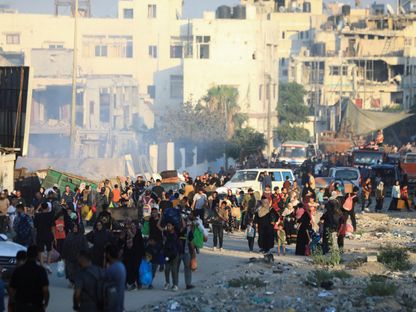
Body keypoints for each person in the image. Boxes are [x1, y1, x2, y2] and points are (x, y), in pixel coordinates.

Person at [8, 245, 49, 312]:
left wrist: (13, 302)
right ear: (37, 256)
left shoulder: (18, 270)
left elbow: (11, 289)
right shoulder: (41, 270)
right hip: (36, 306)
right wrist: (45, 304)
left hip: (21, 306)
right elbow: (45, 290)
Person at [123, 221, 144, 291]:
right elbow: (125, 244)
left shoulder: (138, 232)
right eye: (130, 225)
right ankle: (132, 284)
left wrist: (143, 254)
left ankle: (137, 284)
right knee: (129, 269)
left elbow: (138, 241)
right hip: (129, 254)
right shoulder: (127, 233)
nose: (132, 227)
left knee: (136, 269)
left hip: (137, 254)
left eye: (133, 225)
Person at [33, 202, 55, 272]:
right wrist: (54, 237)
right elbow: (52, 227)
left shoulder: (37, 216)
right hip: (48, 234)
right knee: (49, 250)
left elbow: (35, 226)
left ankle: (42, 265)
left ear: (41, 208)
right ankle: (48, 265)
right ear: (48, 208)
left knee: (40, 251)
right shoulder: (51, 215)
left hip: (40, 234)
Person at [104, 244, 126, 312]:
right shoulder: (121, 266)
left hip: (112, 306)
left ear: (108, 255)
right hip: (119, 304)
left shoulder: (112, 269)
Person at [163, 222, 180, 291]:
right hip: (167, 253)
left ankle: (175, 284)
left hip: (174, 254)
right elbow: (159, 226)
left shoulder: (176, 234)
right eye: (167, 225)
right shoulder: (166, 233)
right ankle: (167, 283)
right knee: (166, 269)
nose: (168, 227)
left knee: (174, 270)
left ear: (173, 226)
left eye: (169, 225)